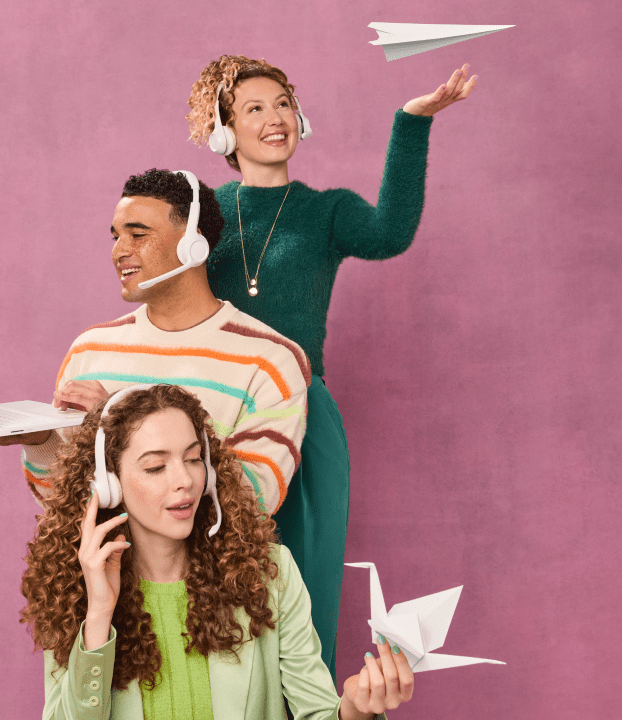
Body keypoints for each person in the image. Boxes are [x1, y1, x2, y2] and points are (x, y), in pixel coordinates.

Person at [183, 55, 479, 678]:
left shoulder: (327, 211)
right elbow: (165, 295)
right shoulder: (203, 214)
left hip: (305, 413)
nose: (274, 118)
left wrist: (412, 121)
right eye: (253, 109)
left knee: (308, 575)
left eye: (283, 104)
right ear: (224, 133)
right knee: (208, 580)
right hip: (215, 417)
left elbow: (390, 232)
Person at [21, 384, 414, 719]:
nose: (185, 481)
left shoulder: (269, 574)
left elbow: (319, 712)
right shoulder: (75, 589)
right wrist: (99, 613)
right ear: (110, 484)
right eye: (156, 467)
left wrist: (356, 710)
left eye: (194, 459)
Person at [0, 168, 310, 519]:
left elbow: (252, 502)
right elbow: (61, 507)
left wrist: (123, 420)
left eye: (138, 234)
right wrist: (41, 442)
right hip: (103, 574)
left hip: (206, 575)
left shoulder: (270, 361)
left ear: (193, 244)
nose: (119, 252)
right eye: (115, 237)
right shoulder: (90, 350)